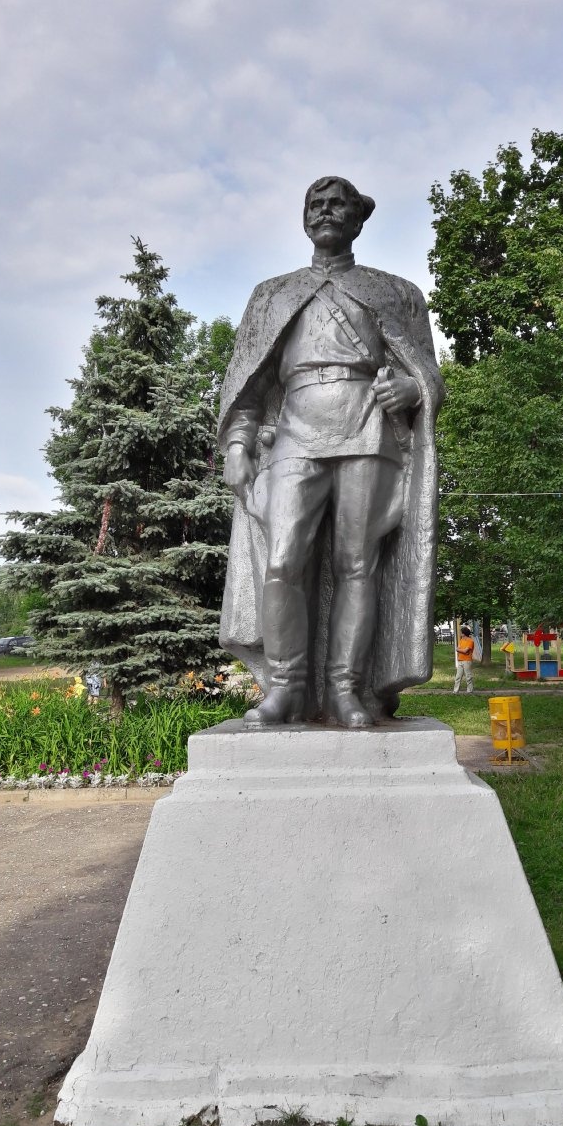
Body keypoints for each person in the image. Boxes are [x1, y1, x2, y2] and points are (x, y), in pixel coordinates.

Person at [219, 176, 444, 728]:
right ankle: (287, 688)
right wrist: (237, 442)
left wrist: (416, 390)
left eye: (336, 203)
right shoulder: (272, 295)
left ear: (358, 218)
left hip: (368, 428)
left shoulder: (394, 292)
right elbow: (248, 387)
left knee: (357, 563)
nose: (325, 211)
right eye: (315, 203)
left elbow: (428, 372)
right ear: (304, 217)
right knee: (281, 562)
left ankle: (347, 690)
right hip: (296, 429)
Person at [453, 625, 475, 694]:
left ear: (464, 633)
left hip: (467, 660)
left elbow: (465, 651)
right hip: (460, 660)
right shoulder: (461, 640)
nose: (460, 634)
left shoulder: (470, 641)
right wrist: (461, 650)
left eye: (461, 632)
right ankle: (455, 691)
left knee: (468, 676)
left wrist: (460, 650)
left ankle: (470, 691)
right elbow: (458, 649)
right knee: (458, 677)